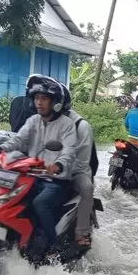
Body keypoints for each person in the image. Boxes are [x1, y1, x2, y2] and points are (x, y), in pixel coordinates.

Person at [0, 75, 77, 255]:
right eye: (37, 98)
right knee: (7, 197)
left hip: (55, 180)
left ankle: (54, 245)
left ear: (55, 102)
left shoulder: (67, 125)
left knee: (40, 203)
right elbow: (19, 139)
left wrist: (58, 165)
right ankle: (15, 237)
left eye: (44, 98)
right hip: (31, 175)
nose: (39, 102)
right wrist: (1, 148)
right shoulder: (33, 121)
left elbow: (69, 151)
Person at [59, 82, 96, 248]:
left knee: (87, 188)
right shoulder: (42, 121)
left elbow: (82, 163)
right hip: (47, 170)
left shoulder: (81, 127)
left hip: (74, 172)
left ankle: (81, 231)